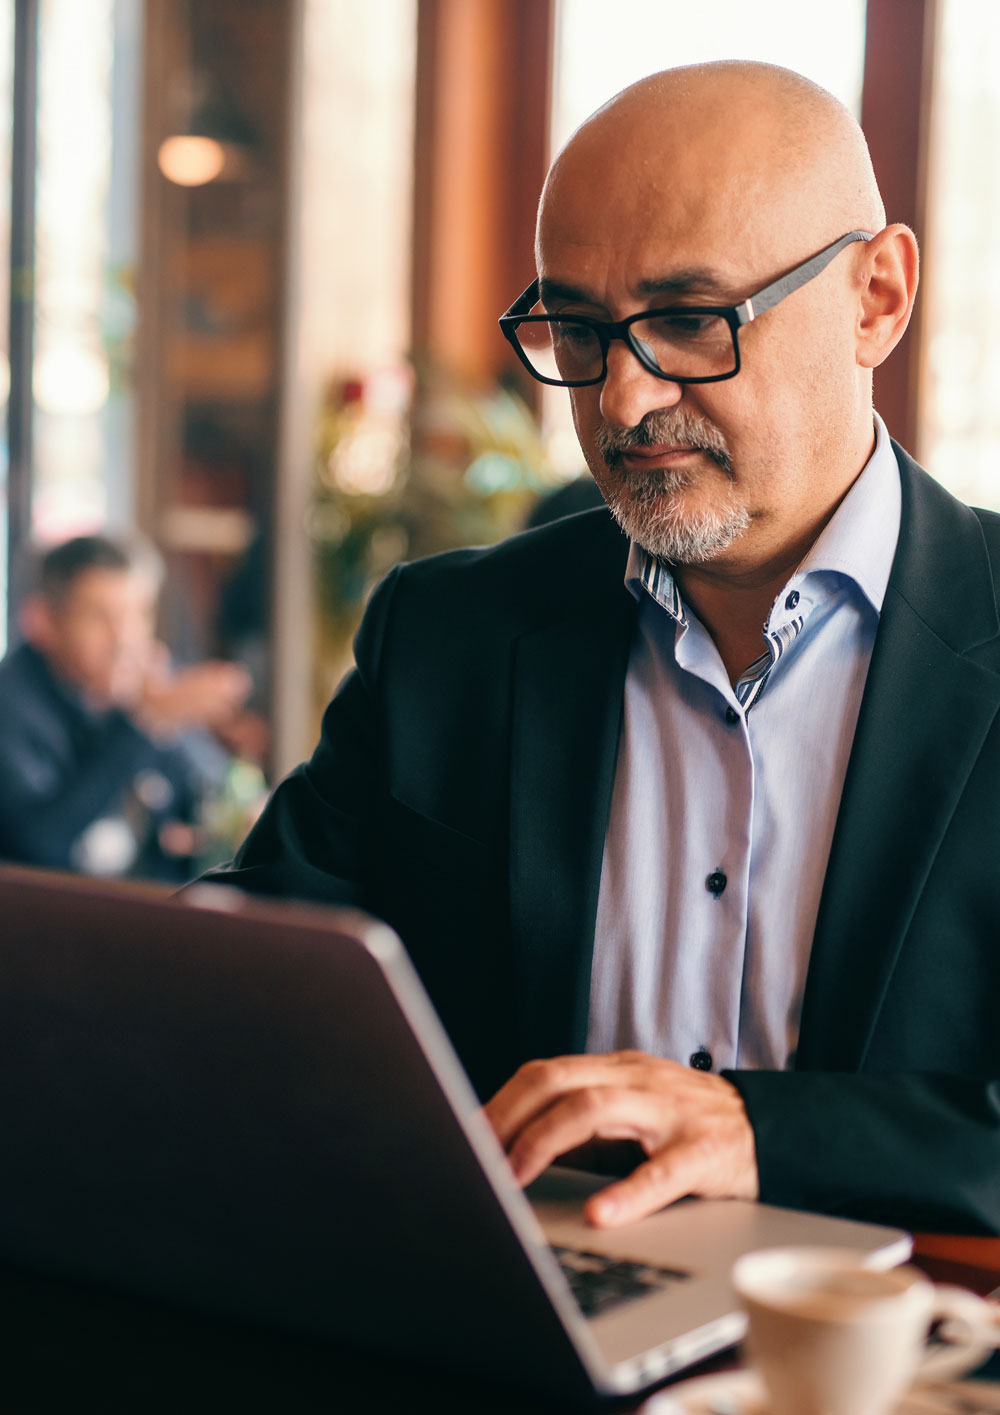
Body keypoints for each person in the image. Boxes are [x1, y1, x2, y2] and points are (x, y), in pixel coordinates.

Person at [206, 62, 1000, 1235]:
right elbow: (257, 977)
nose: (622, 401)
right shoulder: (448, 635)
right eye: (576, 328)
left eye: (689, 320)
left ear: (875, 298)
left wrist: (757, 1129)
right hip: (506, 1328)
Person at [0, 534, 251, 880]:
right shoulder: (11, 704)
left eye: (140, 613)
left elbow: (212, 786)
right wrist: (143, 722)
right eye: (101, 616)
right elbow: (38, 847)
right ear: (42, 620)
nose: (126, 636)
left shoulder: (141, 685)